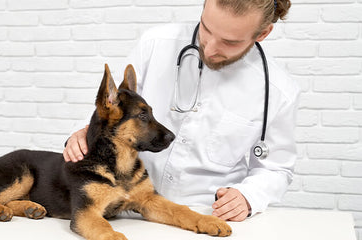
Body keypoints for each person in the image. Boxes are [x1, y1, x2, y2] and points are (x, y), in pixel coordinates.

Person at [64, 0, 298, 222]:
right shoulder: (155, 43)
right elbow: (115, 110)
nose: (210, 47)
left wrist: (248, 197)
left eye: (230, 42)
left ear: (262, 34)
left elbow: (277, 169)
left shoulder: (279, 91)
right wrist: (83, 134)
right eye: (206, 28)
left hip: (206, 215)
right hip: (127, 210)